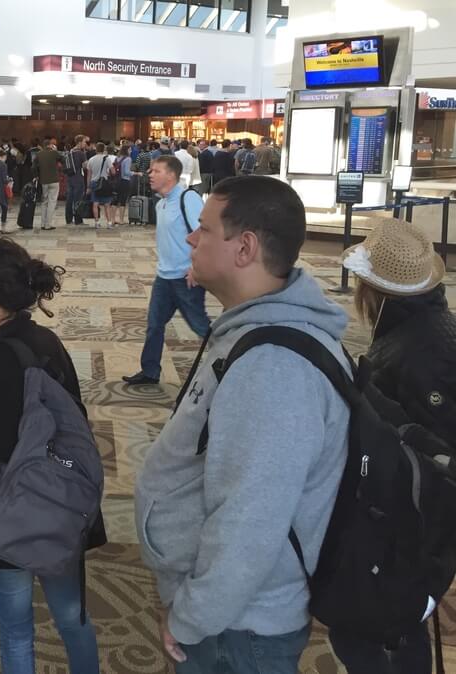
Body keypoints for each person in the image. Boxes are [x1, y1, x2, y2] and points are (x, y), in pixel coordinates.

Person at [135, 175, 350, 674]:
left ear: (245, 247)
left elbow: (250, 520)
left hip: (239, 628)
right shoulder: (253, 332)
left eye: (205, 230)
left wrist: (190, 618)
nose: (191, 237)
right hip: (232, 616)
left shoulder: (273, 366)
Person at [0, 237, 105, 673]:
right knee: (72, 616)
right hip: (60, 503)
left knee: (15, 630)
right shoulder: (47, 341)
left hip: (9, 509)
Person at [329, 217, 454, 674]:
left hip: (407, 528)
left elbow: (430, 456)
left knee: (379, 635)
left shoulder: (420, 350)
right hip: (407, 525)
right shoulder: (420, 327)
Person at [123, 157, 209, 386]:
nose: (150, 174)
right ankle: (150, 371)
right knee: (154, 325)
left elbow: (204, 234)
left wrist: (196, 268)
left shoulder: (187, 199)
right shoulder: (161, 203)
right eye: (150, 170)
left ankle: (231, 362)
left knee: (200, 326)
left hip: (185, 278)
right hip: (164, 277)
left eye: (156, 171)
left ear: (171, 175)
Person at [85, 142, 116, 229]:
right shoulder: (107, 159)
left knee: (95, 203)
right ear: (104, 149)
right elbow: (113, 171)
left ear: (96, 149)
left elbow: (89, 175)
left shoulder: (91, 160)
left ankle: (96, 222)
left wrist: (88, 186)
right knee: (107, 204)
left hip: (94, 183)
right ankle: (109, 223)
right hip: (104, 183)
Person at [35, 138, 60, 231]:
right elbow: (63, 159)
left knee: (44, 202)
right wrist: (55, 150)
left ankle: (42, 223)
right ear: (50, 145)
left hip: (43, 181)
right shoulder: (54, 153)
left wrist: (36, 176)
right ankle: (48, 224)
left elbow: (33, 166)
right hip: (54, 180)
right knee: (52, 202)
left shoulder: (39, 154)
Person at [65, 135, 89, 227]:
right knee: (78, 200)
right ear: (79, 142)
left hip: (70, 177)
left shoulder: (70, 151)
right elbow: (85, 166)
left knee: (69, 199)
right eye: (84, 142)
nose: (85, 144)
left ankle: (68, 219)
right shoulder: (81, 153)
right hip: (78, 178)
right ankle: (78, 220)